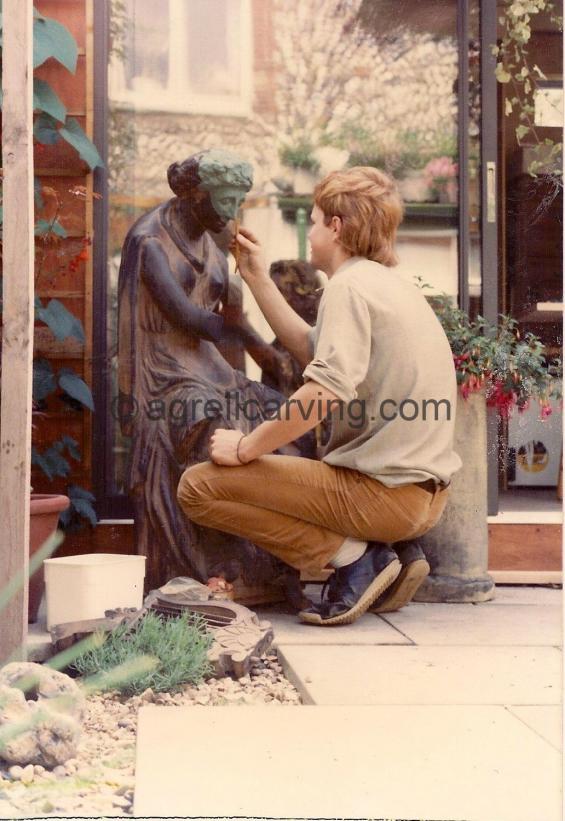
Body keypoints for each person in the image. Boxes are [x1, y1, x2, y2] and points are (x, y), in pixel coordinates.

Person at [177, 166, 462, 626]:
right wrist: (255, 277)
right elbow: (312, 347)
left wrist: (246, 447)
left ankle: (356, 557)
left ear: (336, 226)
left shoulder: (348, 287)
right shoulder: (388, 286)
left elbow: (323, 391)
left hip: (382, 498)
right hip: (423, 500)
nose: (308, 233)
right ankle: (389, 553)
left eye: (313, 220)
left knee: (199, 487)